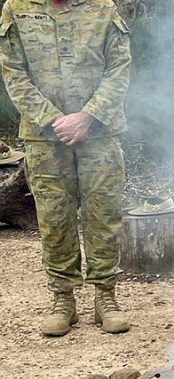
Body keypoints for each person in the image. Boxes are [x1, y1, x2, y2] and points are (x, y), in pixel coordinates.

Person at [0, 0, 131, 336]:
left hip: (99, 133)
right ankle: (63, 299)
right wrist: (52, 119)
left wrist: (88, 116)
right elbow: (13, 71)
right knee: (54, 218)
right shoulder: (17, 7)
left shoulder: (103, 8)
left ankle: (106, 296)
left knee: (103, 213)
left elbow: (119, 67)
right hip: (44, 137)